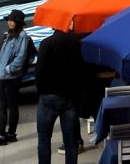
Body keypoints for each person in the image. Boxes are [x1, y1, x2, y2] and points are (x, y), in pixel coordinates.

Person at [36, 29, 85, 164]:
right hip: (70, 97)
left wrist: (41, 91)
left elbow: (39, 71)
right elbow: (81, 69)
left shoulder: (47, 43)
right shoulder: (77, 43)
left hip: (49, 96)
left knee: (44, 139)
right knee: (70, 141)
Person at [0, 9, 30, 148]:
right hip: (2, 75)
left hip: (10, 76)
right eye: (9, 20)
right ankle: (6, 134)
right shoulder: (9, 35)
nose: (10, 23)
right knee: (3, 106)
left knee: (9, 106)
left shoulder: (22, 36)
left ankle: (6, 134)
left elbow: (20, 57)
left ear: (18, 22)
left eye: (12, 20)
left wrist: (8, 69)